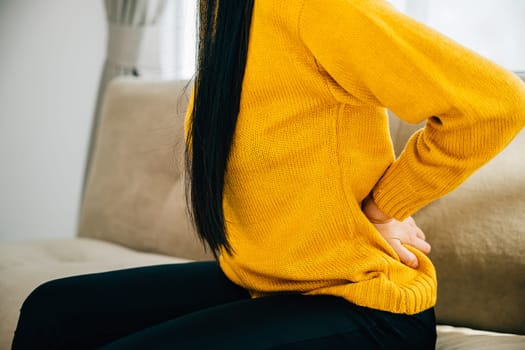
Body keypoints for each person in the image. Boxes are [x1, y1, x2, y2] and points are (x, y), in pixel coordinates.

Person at [12, 0, 525, 349]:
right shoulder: (224, 13)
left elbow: (494, 102)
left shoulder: (316, 9)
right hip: (271, 283)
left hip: (366, 306)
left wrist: (384, 205)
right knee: (51, 309)